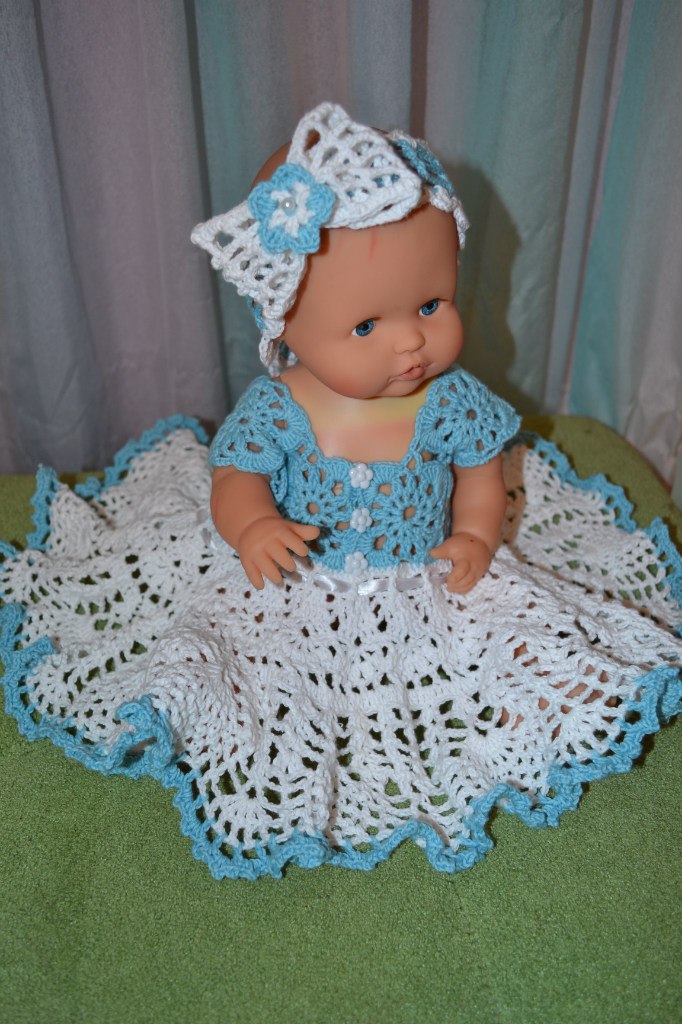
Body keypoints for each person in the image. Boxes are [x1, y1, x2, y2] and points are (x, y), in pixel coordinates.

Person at [2, 104, 680, 880]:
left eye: (431, 305)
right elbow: (236, 477)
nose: (410, 341)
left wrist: (475, 532)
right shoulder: (281, 406)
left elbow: (480, 474)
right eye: (365, 327)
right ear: (284, 326)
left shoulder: (450, 401)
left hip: (428, 577)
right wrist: (253, 526)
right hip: (295, 581)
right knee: (242, 680)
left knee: (515, 657)